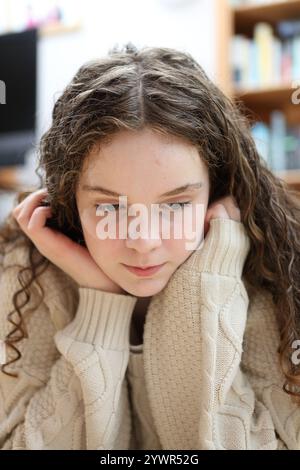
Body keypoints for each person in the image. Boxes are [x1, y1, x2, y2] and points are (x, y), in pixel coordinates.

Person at [0, 43, 299, 450]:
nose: (143, 242)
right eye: (109, 207)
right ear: (70, 199)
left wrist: (201, 283)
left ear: (217, 188)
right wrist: (99, 303)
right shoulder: (29, 270)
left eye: (175, 204)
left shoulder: (271, 274)